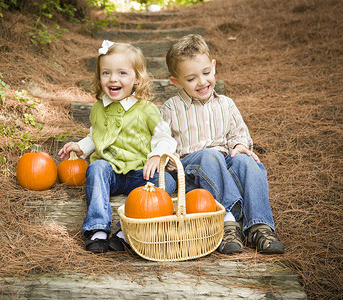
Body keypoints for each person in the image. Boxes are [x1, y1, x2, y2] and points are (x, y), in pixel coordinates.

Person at [160, 34, 284, 254]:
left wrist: (239, 147)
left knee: (247, 162)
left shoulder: (226, 104)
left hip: (225, 164)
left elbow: (239, 134)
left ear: (213, 67)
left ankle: (259, 226)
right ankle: (228, 222)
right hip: (193, 171)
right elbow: (163, 143)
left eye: (206, 73)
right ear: (176, 81)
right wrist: (170, 160)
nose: (202, 82)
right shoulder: (170, 109)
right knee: (210, 156)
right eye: (191, 79)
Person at [58, 40, 177, 253]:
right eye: (106, 73)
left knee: (167, 181)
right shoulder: (98, 109)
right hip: (110, 172)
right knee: (96, 168)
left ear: (137, 78)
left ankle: (126, 231)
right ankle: (98, 229)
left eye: (122, 73)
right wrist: (81, 147)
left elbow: (165, 138)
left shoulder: (146, 109)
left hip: (141, 174)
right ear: (99, 77)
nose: (113, 78)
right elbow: (97, 136)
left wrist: (155, 156)